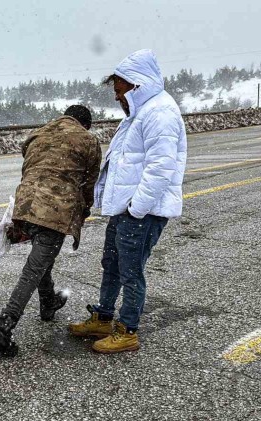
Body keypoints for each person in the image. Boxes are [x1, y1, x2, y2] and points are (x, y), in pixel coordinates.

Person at [69, 49, 187, 353]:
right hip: (125, 209)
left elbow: (161, 168)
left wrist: (137, 208)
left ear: (138, 85)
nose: (117, 97)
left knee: (131, 270)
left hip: (141, 212)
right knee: (112, 263)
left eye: (120, 91)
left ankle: (127, 330)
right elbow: (121, 161)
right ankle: (103, 318)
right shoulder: (139, 113)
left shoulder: (159, 112)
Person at [0, 105, 102, 357]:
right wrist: (84, 209)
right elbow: (89, 184)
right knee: (33, 270)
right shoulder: (88, 141)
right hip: (54, 209)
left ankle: (48, 303)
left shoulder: (38, 133)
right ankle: (3, 328)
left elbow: (29, 165)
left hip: (24, 204)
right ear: (87, 125)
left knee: (41, 259)